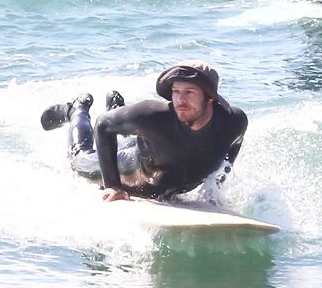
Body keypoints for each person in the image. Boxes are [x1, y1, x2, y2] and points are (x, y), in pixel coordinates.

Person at [40, 61, 248, 203]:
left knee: (127, 132)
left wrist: (215, 187)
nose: (180, 100)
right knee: (79, 161)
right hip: (128, 168)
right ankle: (77, 110)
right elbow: (103, 125)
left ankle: (117, 109)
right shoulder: (154, 116)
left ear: (210, 98)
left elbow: (235, 143)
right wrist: (113, 186)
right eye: (176, 92)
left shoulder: (232, 122)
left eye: (190, 92)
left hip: (149, 147)